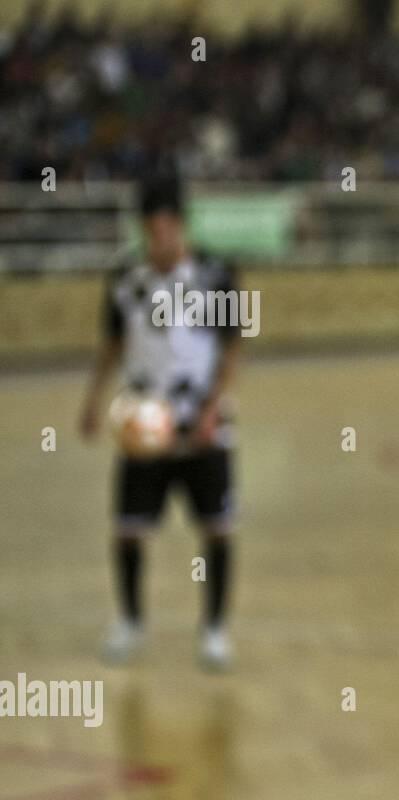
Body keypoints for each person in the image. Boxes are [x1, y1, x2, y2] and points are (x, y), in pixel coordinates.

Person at [80, 176, 242, 670]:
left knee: (217, 529)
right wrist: (92, 401)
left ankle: (214, 630)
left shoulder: (214, 274)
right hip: (142, 427)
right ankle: (130, 622)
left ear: (182, 226)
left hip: (203, 426)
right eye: (151, 231)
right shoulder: (125, 279)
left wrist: (214, 409)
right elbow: (112, 345)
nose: (161, 240)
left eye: (168, 229)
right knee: (128, 530)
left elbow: (233, 347)